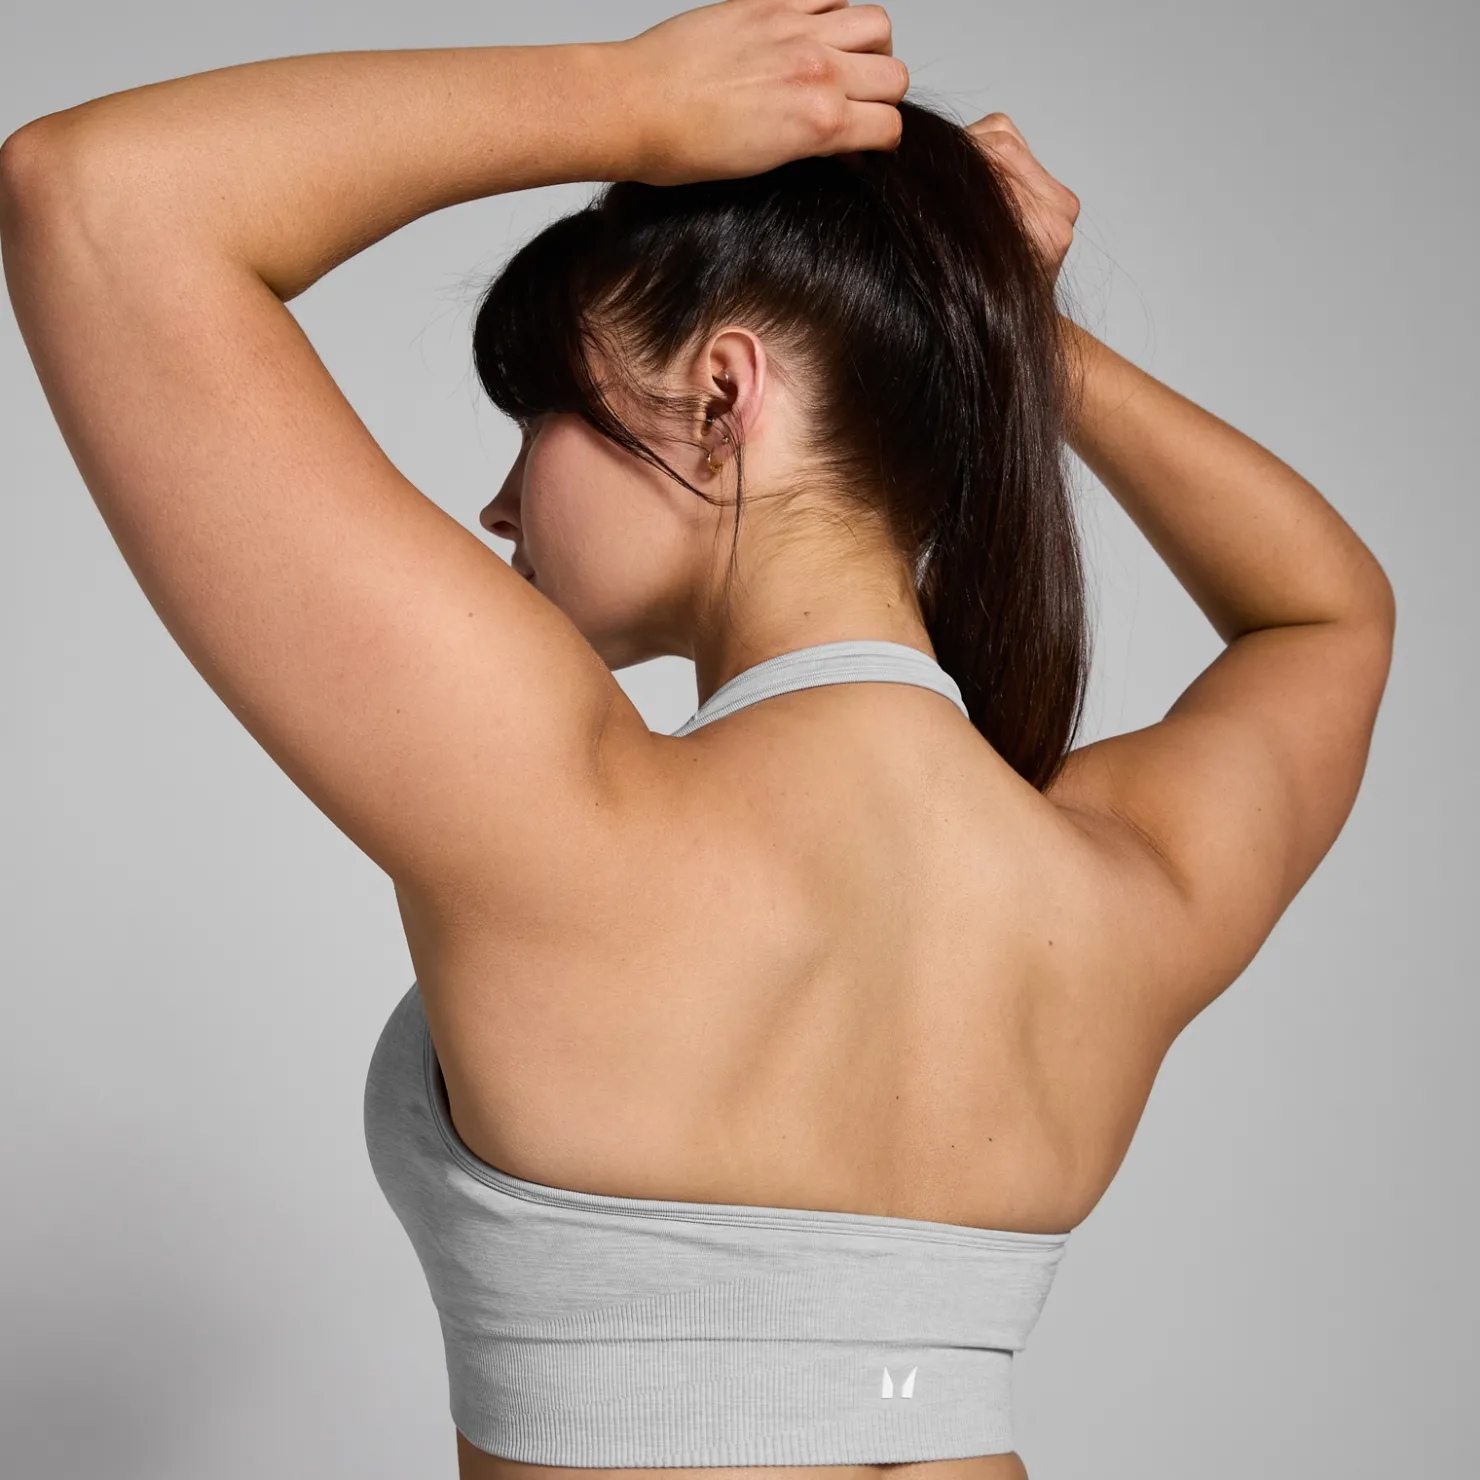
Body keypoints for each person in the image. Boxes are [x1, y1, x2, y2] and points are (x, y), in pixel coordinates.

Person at [0, 2, 1395, 1478]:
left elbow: (96, 197)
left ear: (722, 394)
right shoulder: (1123, 887)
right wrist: (1003, 327)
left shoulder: (556, 802)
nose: (500, 502)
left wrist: (628, 101)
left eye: (543, 411)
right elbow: (1325, 618)